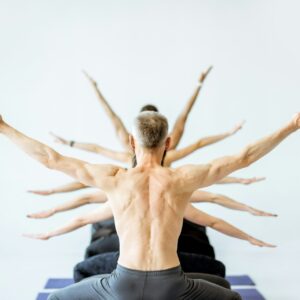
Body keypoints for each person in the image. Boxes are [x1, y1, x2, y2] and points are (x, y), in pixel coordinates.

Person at [1, 112, 299, 299]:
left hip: (121, 285)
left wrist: (5, 128)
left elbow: (50, 159)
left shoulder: (114, 178)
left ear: (131, 142)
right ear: (168, 143)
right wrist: (291, 125)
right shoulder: (182, 178)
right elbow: (244, 157)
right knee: (229, 297)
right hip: (173, 285)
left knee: (57, 299)